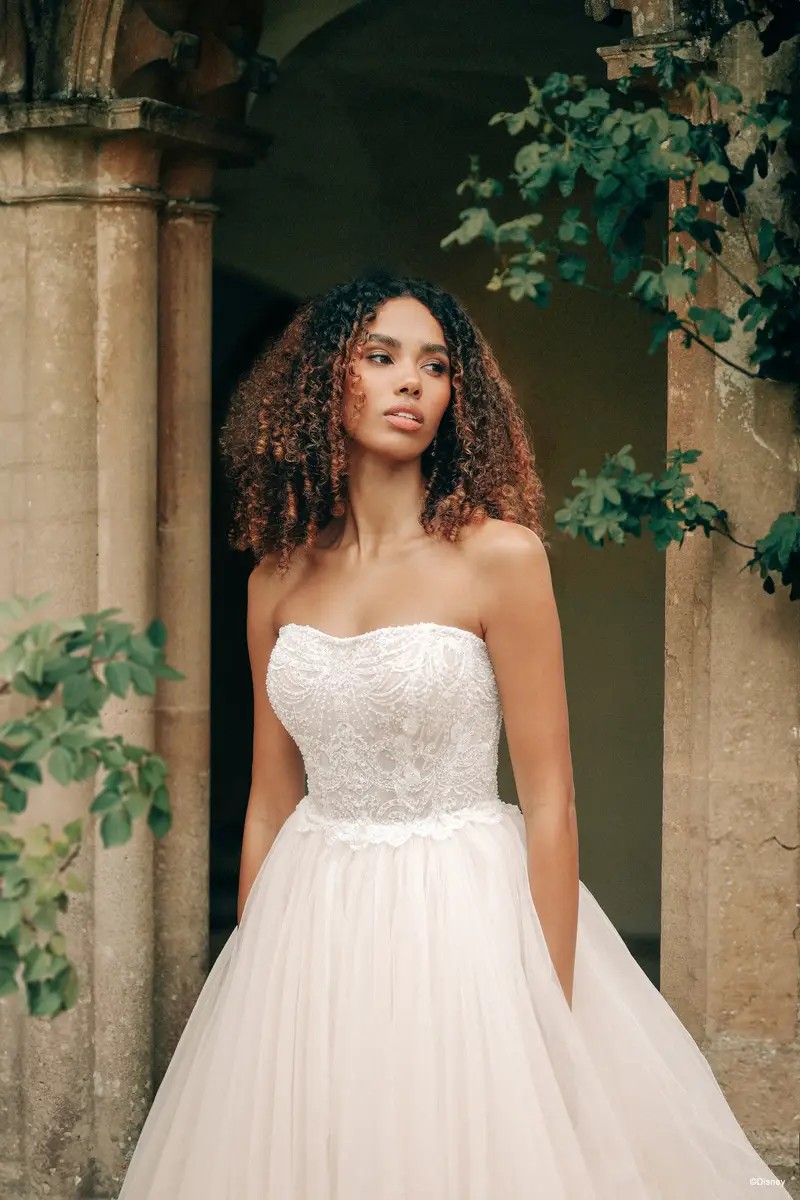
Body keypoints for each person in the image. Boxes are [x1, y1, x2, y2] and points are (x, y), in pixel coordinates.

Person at [117, 271, 783, 1198]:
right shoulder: (275, 576)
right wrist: (257, 984)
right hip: (313, 922)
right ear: (324, 382)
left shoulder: (499, 558)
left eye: (434, 366)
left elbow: (551, 799)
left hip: (461, 916)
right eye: (381, 358)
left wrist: (549, 1007)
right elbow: (272, 800)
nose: (411, 383)